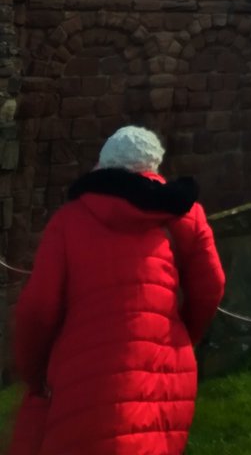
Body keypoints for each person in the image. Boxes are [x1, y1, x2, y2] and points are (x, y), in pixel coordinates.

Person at [8, 126, 226, 455]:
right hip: (163, 367)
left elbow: (38, 308)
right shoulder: (186, 215)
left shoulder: (70, 220)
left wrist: (35, 373)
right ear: (153, 168)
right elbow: (211, 286)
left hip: (83, 373)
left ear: (103, 165)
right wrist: (180, 337)